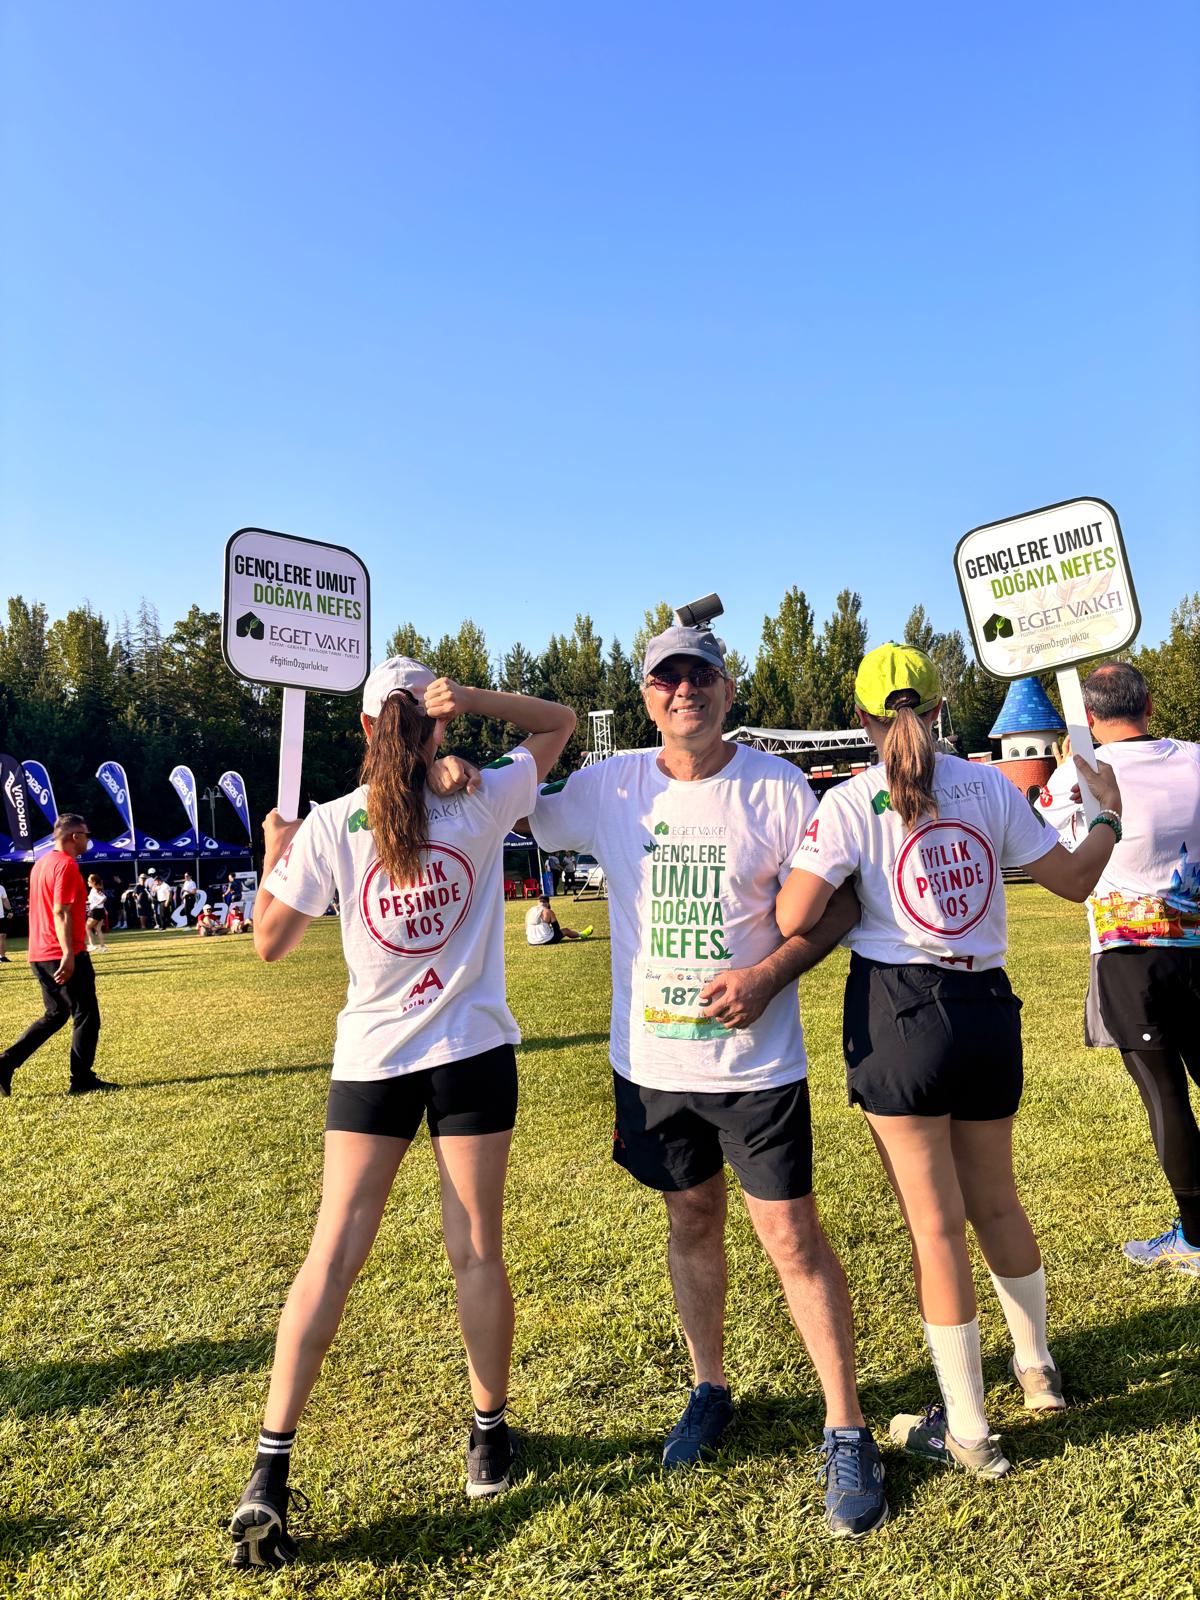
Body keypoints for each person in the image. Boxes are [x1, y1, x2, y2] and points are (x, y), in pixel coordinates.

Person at [528, 622, 886, 1540]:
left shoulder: (777, 786)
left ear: (728, 691)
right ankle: (709, 1389)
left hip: (757, 1065)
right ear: (646, 696)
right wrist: (461, 760)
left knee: (791, 1236)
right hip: (652, 1064)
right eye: (667, 678)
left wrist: (767, 976)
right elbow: (514, 798)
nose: (684, 690)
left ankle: (846, 1428)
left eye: (701, 676)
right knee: (690, 1219)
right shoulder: (608, 785)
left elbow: (841, 903)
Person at [228, 657, 576, 1571]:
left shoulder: (333, 825)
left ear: (364, 729)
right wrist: (474, 708)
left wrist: (276, 849)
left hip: (372, 1064)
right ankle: (488, 1439)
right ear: (438, 724)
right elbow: (560, 721)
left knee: (330, 1258)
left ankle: (269, 1470)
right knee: (477, 1252)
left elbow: (269, 941)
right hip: (470, 1056)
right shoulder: (479, 797)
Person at [777, 642, 1123, 1479]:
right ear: (940, 710)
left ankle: (969, 1430)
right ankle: (1036, 1369)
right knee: (998, 1203)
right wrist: (1107, 816)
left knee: (935, 1229)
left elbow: (794, 914)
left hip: (899, 1015)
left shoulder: (850, 800)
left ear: (861, 719)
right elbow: (1075, 880)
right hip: (986, 1009)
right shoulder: (988, 786)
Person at [1037, 661, 1200, 1276]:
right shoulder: (1194, 757)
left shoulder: (1079, 771)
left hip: (1131, 955)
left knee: (1166, 1096)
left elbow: (1043, 847)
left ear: (1089, 717)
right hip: (1197, 944)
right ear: (1149, 705)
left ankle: (1196, 1239)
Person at [0, 814, 119, 1097]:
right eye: (86, 835)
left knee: (55, 1014)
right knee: (86, 1014)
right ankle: (82, 1080)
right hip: (62, 952)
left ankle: (4, 1064)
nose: (88, 840)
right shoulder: (66, 865)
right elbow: (61, 912)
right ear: (74, 836)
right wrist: (68, 954)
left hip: (39, 953)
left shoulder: (40, 865)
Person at [524, 894, 592, 945]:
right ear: (548, 903)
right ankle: (582, 934)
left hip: (531, 941)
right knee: (566, 930)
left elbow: (526, 928)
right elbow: (556, 929)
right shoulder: (548, 911)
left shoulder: (529, 911)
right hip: (546, 940)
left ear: (538, 902)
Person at [85, 873, 108, 952]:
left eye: (89, 881)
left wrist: (96, 904)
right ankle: (102, 947)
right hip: (100, 911)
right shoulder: (94, 889)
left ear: (94, 882)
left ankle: (92, 945)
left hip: (96, 912)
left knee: (87, 927)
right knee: (98, 929)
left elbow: (104, 898)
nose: (88, 882)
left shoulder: (95, 889)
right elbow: (91, 901)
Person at [0, 878, 11, 962]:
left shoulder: (1, 888)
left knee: (2, 935)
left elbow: (5, 900)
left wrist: (10, 910)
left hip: (1, 916)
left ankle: (2, 957)